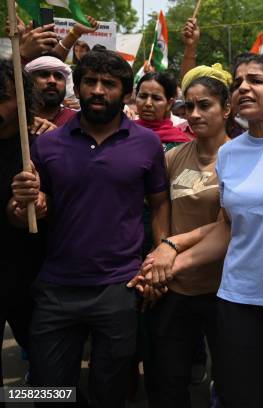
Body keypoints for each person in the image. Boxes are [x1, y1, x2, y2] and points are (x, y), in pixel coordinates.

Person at [132, 53, 263, 408]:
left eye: (256, 80)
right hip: (237, 301)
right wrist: (168, 264)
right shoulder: (230, 155)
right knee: (242, 398)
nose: (243, 87)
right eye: (237, 83)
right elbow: (228, 228)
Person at [10, 49, 170, 408]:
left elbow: (160, 205)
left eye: (109, 84)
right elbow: (26, 212)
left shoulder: (147, 143)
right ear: (77, 88)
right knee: (45, 391)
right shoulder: (46, 144)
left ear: (125, 93)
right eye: (90, 82)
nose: (98, 90)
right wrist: (24, 203)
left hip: (120, 287)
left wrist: (160, 255)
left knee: (110, 391)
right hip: (56, 287)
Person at [137, 64, 232, 408]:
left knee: (232, 381)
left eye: (204, 105)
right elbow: (161, 209)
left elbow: (228, 223)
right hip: (174, 289)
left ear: (227, 108)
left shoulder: (242, 158)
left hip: (225, 291)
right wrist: (162, 253)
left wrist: (171, 251)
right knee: (168, 380)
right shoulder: (173, 157)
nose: (194, 114)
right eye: (188, 107)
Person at [0, 59, 45, 398]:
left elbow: (46, 208)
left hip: (29, 276)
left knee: (51, 375)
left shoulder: (42, 148)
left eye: (2, 97)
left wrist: (32, 204)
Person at [135, 72, 191, 151]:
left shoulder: (180, 145)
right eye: (142, 96)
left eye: (156, 98)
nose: (148, 103)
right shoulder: (121, 134)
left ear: (169, 103)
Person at [24, 56, 77, 126]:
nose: (52, 81)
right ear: (30, 81)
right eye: (44, 75)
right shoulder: (18, 120)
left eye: (58, 76)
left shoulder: (78, 121)